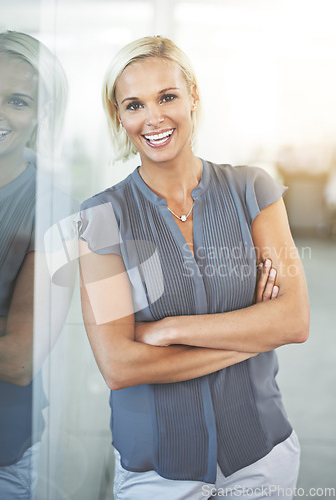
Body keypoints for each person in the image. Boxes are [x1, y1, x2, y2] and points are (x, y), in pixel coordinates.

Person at [78, 36, 309, 499]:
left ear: (193, 96)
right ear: (119, 117)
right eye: (134, 105)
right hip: (156, 474)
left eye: (167, 97)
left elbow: (293, 320)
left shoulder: (254, 191)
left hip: (261, 459)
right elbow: (119, 365)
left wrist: (170, 329)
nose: (154, 118)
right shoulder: (100, 219)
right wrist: (248, 338)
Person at [0, 31, 73, 499]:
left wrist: (8, 334)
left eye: (16, 101)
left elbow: (19, 359)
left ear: (40, 115)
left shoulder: (56, 209)